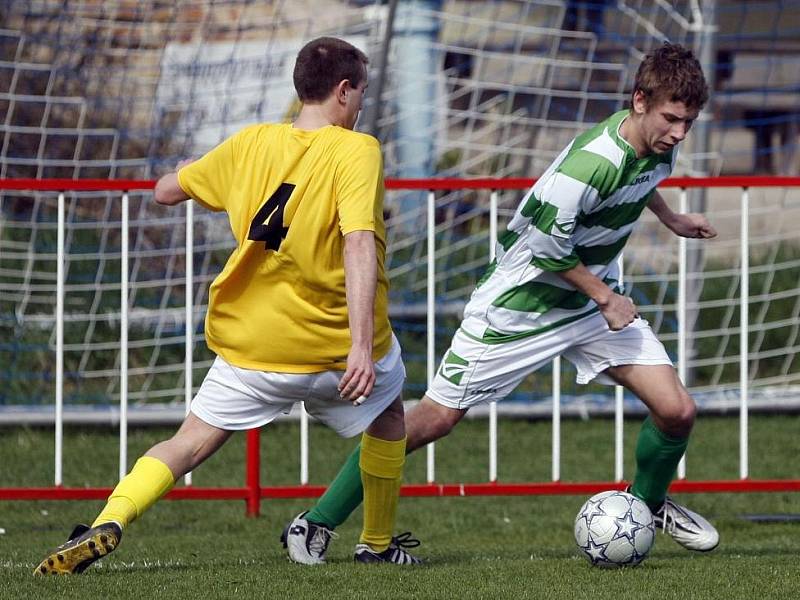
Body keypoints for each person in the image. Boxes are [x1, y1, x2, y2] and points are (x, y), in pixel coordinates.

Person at [282, 42, 720, 565]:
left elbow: (642, 179)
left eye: (689, 123)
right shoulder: (589, 163)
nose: (679, 133)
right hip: (521, 304)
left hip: (587, 303)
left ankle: (645, 507)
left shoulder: (657, 143)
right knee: (432, 420)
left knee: (677, 410)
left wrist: (671, 219)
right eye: (673, 119)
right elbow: (545, 245)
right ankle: (316, 522)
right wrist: (606, 297)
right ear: (640, 100)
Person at [34, 36, 421, 575]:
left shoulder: (249, 144)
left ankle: (110, 520)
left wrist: (196, 170)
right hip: (336, 350)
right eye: (360, 93)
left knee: (187, 443)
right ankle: (376, 544)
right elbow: (358, 241)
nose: (360, 105)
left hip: (253, 345)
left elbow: (165, 191)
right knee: (390, 418)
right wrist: (360, 345)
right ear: (342, 91)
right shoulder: (357, 149)